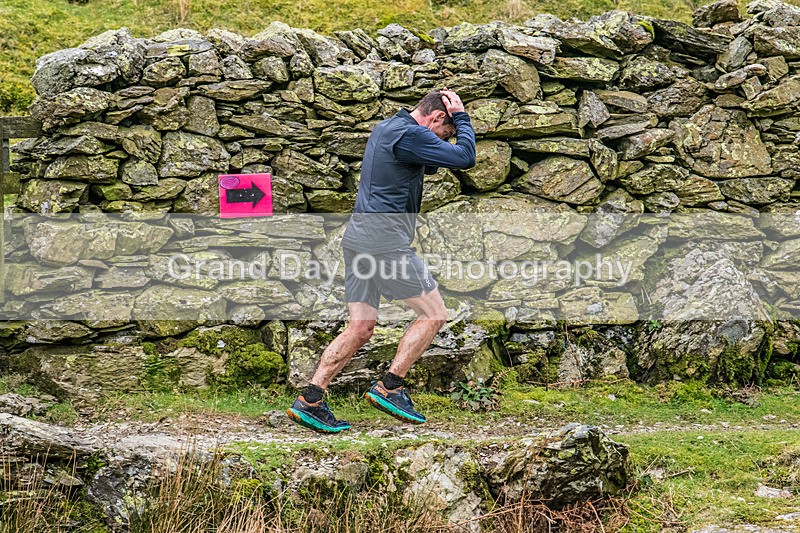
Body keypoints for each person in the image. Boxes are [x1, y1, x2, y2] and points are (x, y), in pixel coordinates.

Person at [286, 88, 477, 433]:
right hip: (385, 243)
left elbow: (432, 162)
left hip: (358, 239)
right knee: (434, 314)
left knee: (360, 327)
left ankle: (310, 399)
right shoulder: (413, 134)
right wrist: (461, 118)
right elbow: (465, 158)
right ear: (436, 117)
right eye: (445, 131)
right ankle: (391, 386)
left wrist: (442, 139)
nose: (446, 139)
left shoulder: (388, 128)